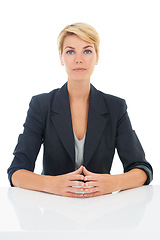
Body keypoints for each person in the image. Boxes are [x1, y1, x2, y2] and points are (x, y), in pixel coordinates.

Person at [7, 23, 153, 198]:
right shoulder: (41, 105)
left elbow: (142, 169)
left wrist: (112, 183)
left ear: (97, 56)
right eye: (70, 51)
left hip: (101, 211)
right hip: (53, 211)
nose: (79, 59)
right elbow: (17, 172)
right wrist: (53, 184)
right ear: (61, 57)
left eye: (87, 51)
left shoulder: (115, 107)